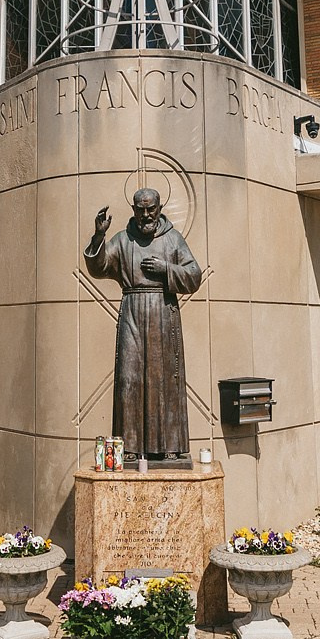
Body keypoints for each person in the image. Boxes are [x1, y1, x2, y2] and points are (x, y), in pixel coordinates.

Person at [83, 187, 203, 463]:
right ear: (134, 209)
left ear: (160, 208)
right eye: (140, 209)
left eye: (151, 209)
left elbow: (194, 277)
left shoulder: (173, 240)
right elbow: (98, 267)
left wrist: (166, 270)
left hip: (163, 313)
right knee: (129, 379)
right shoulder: (123, 240)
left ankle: (169, 447)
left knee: (164, 380)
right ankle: (131, 448)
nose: (146, 215)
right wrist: (99, 235)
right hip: (133, 314)